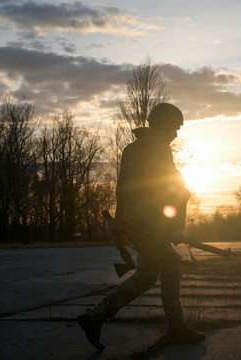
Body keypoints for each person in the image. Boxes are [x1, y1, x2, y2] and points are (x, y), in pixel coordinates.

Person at [77, 103, 205, 351]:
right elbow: (171, 191)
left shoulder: (132, 148)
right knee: (171, 265)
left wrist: (120, 225)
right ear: (165, 124)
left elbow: (122, 190)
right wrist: (174, 225)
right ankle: (177, 329)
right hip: (149, 224)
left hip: (137, 222)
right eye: (175, 128)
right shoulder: (158, 149)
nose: (176, 134)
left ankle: (94, 317)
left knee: (147, 276)